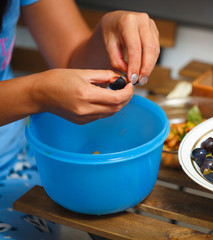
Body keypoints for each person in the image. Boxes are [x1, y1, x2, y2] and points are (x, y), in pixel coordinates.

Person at [0, 0, 160, 239]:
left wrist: (105, 31)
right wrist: (34, 93)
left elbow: (71, 60)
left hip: (15, 163)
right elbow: (40, 90)